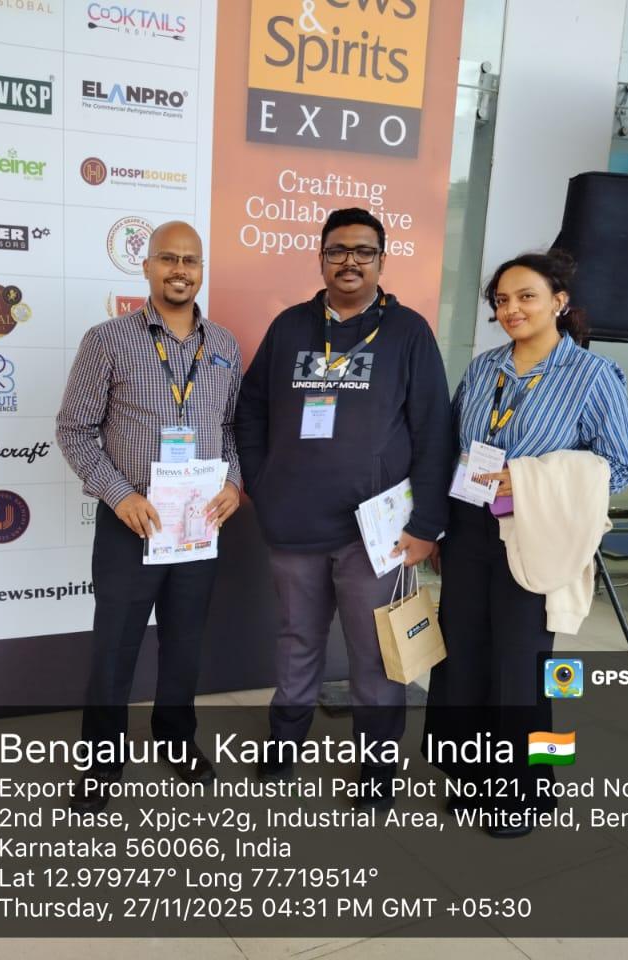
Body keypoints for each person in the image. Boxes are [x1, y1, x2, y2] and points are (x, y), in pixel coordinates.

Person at [236, 207, 452, 808]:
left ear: (382, 259)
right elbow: (250, 409)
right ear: (321, 258)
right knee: (297, 640)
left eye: (363, 251)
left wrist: (426, 524)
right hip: (294, 522)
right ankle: (284, 744)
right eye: (337, 250)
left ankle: (378, 767)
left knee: (376, 652)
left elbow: (434, 431)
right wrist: (262, 481)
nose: (349, 261)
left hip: (374, 532)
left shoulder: (408, 332)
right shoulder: (289, 327)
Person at [425, 249, 628, 837]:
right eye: (502, 300)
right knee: (464, 656)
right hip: (469, 531)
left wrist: (532, 479)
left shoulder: (593, 375)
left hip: (533, 536)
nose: (511, 309)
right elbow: (454, 447)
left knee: (523, 666)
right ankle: (472, 778)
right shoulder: (484, 368)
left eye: (526, 297)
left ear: (559, 302)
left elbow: (618, 468)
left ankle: (527, 790)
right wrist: (438, 526)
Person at [56, 221, 242, 812]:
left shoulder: (225, 345)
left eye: (190, 260)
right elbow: (74, 430)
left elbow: (231, 429)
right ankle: (101, 763)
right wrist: (119, 495)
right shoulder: (107, 340)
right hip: (131, 522)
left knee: (185, 644)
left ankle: (176, 737)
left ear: (202, 269)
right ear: (147, 266)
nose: (180, 270)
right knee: (115, 650)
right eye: (168, 258)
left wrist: (233, 483)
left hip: (198, 524)